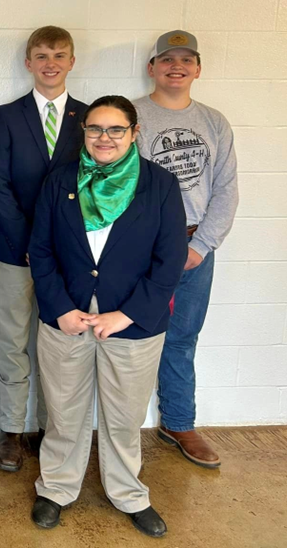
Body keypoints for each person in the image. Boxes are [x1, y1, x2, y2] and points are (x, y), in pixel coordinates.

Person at [28, 96, 187, 538]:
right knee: (64, 411)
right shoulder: (60, 181)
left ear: (135, 132)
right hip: (67, 316)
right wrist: (58, 308)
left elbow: (170, 261)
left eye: (116, 129)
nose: (104, 138)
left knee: (123, 416)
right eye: (95, 129)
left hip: (133, 323)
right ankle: (57, 488)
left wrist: (127, 315)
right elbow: (40, 252)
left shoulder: (161, 185)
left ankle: (129, 494)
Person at [0, 26, 88, 471]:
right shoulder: (8, 115)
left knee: (58, 344)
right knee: (12, 343)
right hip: (13, 250)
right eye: (42, 55)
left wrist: (52, 246)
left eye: (59, 55)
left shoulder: (88, 117)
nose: (50, 63)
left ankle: (54, 430)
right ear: (29, 62)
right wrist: (30, 243)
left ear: (71, 62)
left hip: (68, 257)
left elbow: (93, 185)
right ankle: (11, 429)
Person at [134, 30, 238, 469]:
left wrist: (199, 246)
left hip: (197, 249)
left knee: (182, 338)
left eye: (186, 59)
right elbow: (116, 185)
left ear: (198, 68)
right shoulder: (131, 115)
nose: (176, 66)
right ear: (152, 67)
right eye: (167, 59)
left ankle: (178, 422)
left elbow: (226, 191)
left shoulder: (214, 122)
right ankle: (121, 428)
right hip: (141, 250)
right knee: (132, 337)